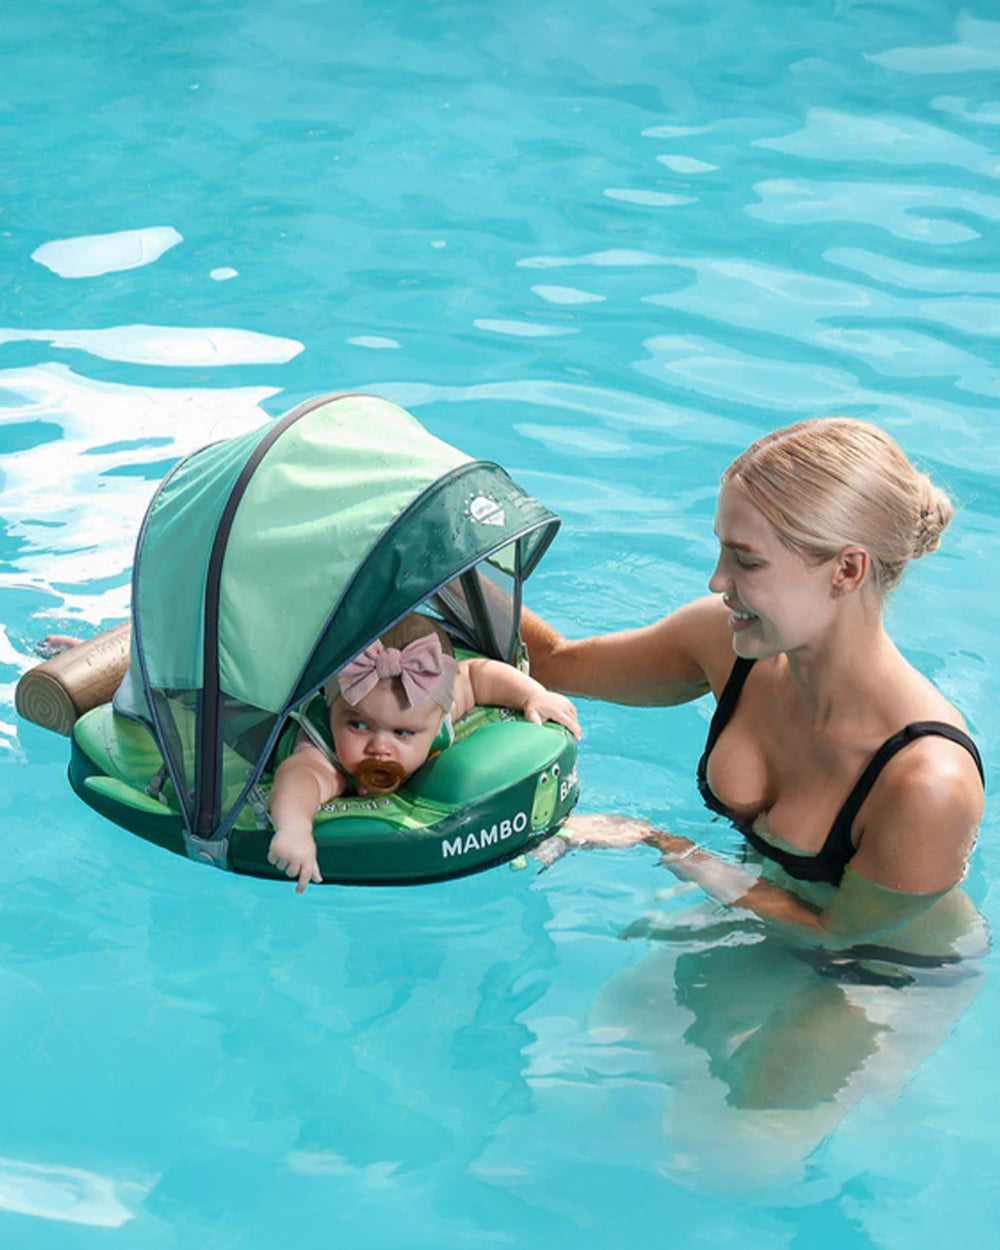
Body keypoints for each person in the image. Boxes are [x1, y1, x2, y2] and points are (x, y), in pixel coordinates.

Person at [519, 416, 987, 1184]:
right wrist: (440, 579)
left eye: (745, 560)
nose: (716, 582)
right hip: (768, 906)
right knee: (599, 1051)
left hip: (883, 960)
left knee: (727, 1161)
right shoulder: (728, 643)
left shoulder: (926, 780)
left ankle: (896, 1103)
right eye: (721, 550)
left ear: (846, 569)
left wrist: (662, 844)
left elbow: (839, 933)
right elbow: (558, 663)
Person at [267, 612, 580, 892]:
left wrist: (533, 695)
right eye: (358, 725)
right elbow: (298, 777)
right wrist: (294, 828)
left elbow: (475, 675)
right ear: (332, 706)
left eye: (402, 733)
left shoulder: (431, 710)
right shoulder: (325, 747)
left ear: (436, 721)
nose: (379, 747)